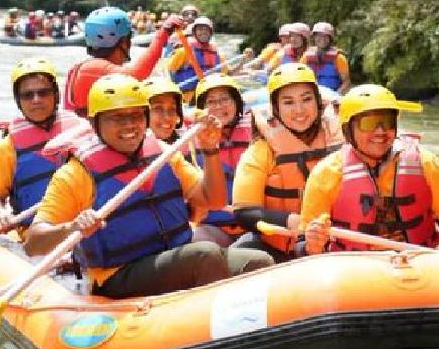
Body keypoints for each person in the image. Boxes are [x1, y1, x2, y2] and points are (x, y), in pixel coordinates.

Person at [24, 75, 274, 298]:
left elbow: (214, 200)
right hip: (119, 273)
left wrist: (210, 150)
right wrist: (72, 227)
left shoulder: (165, 153)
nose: (129, 125)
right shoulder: (75, 175)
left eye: (136, 115)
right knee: (204, 254)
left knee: (258, 261)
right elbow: (33, 243)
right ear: (95, 122)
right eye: (117, 118)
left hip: (174, 256)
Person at [301, 84, 439, 265]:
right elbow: (303, 245)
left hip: (416, 264)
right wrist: (313, 244)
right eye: (369, 123)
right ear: (348, 130)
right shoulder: (326, 173)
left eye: (387, 122)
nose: (380, 131)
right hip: (353, 269)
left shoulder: (425, 162)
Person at [231, 63, 343, 262]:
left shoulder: (342, 138)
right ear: (276, 108)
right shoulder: (260, 150)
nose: (299, 110)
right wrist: (291, 221)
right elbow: (244, 212)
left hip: (337, 242)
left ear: (318, 102)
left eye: (306, 99)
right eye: (288, 102)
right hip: (279, 246)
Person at [0, 57, 82, 236]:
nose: (36, 100)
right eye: (27, 95)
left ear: (56, 95)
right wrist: (1, 214)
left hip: (82, 226)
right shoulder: (7, 148)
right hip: (35, 234)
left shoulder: (81, 131)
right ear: (18, 101)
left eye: (43, 92)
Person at [63, 6, 183, 116]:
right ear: (124, 42)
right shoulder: (94, 68)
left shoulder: (81, 67)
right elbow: (136, 75)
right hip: (89, 134)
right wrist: (163, 33)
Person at [190, 74, 252, 247]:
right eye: (210, 102)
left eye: (225, 99)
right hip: (212, 226)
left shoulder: (257, 131)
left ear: (237, 104)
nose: (218, 106)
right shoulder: (190, 140)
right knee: (199, 242)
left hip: (253, 223)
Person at [165, 16, 223, 104]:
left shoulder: (216, 53)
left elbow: (228, 74)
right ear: (194, 33)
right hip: (187, 99)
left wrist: (243, 60)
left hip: (209, 97)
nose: (203, 32)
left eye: (206, 30)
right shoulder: (183, 52)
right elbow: (168, 73)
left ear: (211, 33)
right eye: (200, 29)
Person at [300, 22, 351, 92]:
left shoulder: (339, 58)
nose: (322, 39)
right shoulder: (306, 56)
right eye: (319, 36)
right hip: (313, 94)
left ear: (330, 38)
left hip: (333, 94)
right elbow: (301, 78)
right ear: (314, 37)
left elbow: (346, 82)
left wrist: (337, 94)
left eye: (326, 36)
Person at [142, 77, 184, 144]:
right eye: (158, 109)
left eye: (172, 109)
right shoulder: (130, 151)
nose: (167, 117)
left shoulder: (188, 141)